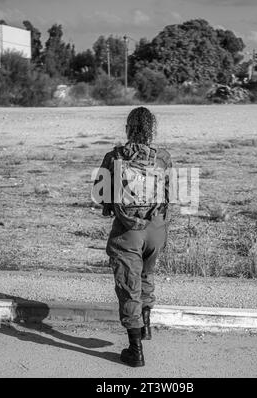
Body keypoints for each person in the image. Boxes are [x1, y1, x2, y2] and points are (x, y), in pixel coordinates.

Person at [93, 107, 172, 367]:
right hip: (157, 230)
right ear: (152, 129)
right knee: (147, 275)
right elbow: (170, 194)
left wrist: (115, 204)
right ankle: (146, 325)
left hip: (129, 232)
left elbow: (99, 196)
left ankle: (135, 350)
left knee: (129, 286)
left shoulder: (114, 156)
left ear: (128, 128)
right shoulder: (163, 157)